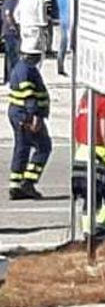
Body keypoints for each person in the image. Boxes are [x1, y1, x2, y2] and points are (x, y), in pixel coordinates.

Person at [7, 50, 49, 200]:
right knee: (44, 147)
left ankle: (15, 184)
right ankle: (28, 182)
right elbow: (29, 96)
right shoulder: (27, 70)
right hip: (26, 116)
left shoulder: (20, 67)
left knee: (22, 148)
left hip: (19, 115)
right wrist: (35, 116)